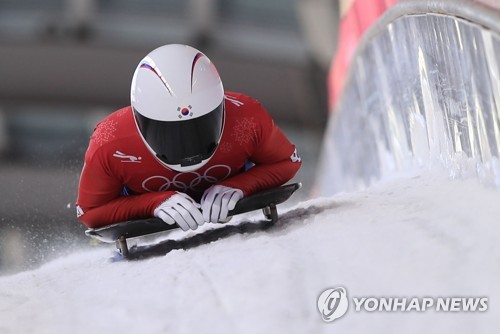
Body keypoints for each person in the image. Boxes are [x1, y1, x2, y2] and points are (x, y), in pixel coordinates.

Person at [76, 44, 301, 231]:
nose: (187, 147)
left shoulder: (246, 117)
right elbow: (90, 212)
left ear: (221, 109)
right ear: (139, 120)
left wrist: (241, 185)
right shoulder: (109, 141)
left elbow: (287, 162)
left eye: (201, 126)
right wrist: (151, 204)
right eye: (168, 133)